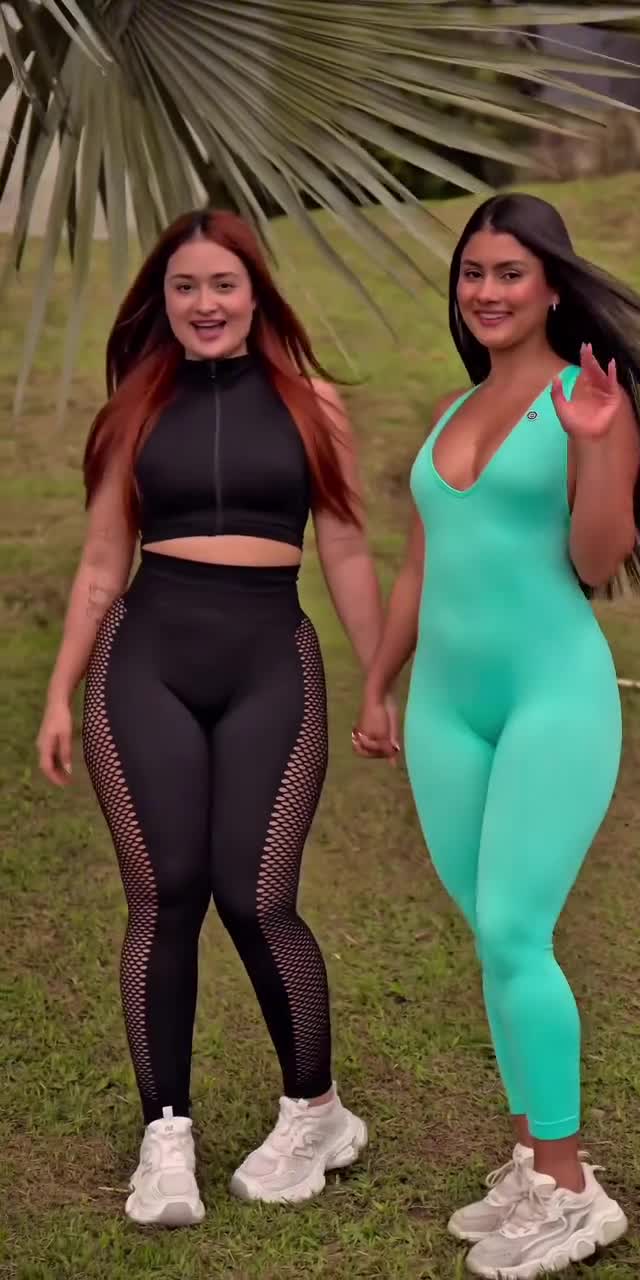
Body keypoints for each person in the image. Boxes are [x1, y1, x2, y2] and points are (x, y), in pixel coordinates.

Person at [352, 193, 640, 1278]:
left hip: (552, 697)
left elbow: (597, 560)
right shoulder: (452, 409)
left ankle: (570, 1189)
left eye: (510, 271)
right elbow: (421, 564)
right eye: (472, 271)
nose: (487, 290)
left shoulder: (585, 400)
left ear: (554, 284)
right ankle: (530, 1155)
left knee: (515, 926)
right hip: (445, 708)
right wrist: (378, 683)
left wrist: (599, 448)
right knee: (494, 935)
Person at [36, 209, 394, 1227]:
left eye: (223, 284)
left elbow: (346, 549)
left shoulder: (313, 404)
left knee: (257, 893)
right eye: (185, 286)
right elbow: (103, 561)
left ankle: (317, 1110)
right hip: (145, 659)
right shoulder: (135, 408)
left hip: (268, 660)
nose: (205, 303)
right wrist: (59, 689)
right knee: (164, 896)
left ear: (255, 292)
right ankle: (167, 1140)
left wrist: (379, 681)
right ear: (162, 300)